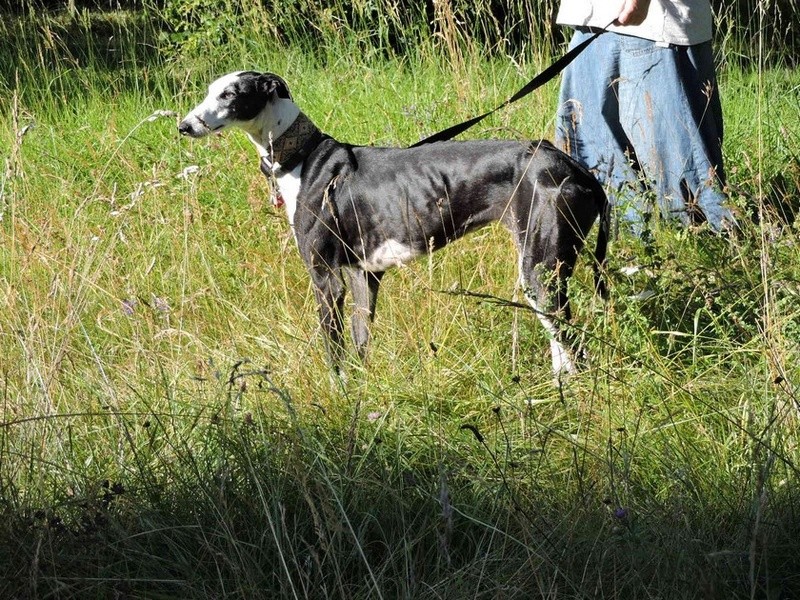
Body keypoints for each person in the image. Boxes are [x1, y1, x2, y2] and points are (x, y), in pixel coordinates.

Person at [555, 0, 735, 233]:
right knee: (591, 160)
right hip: (595, 19)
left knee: (683, 200)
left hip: (648, 22)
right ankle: (628, 249)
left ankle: (689, 255)